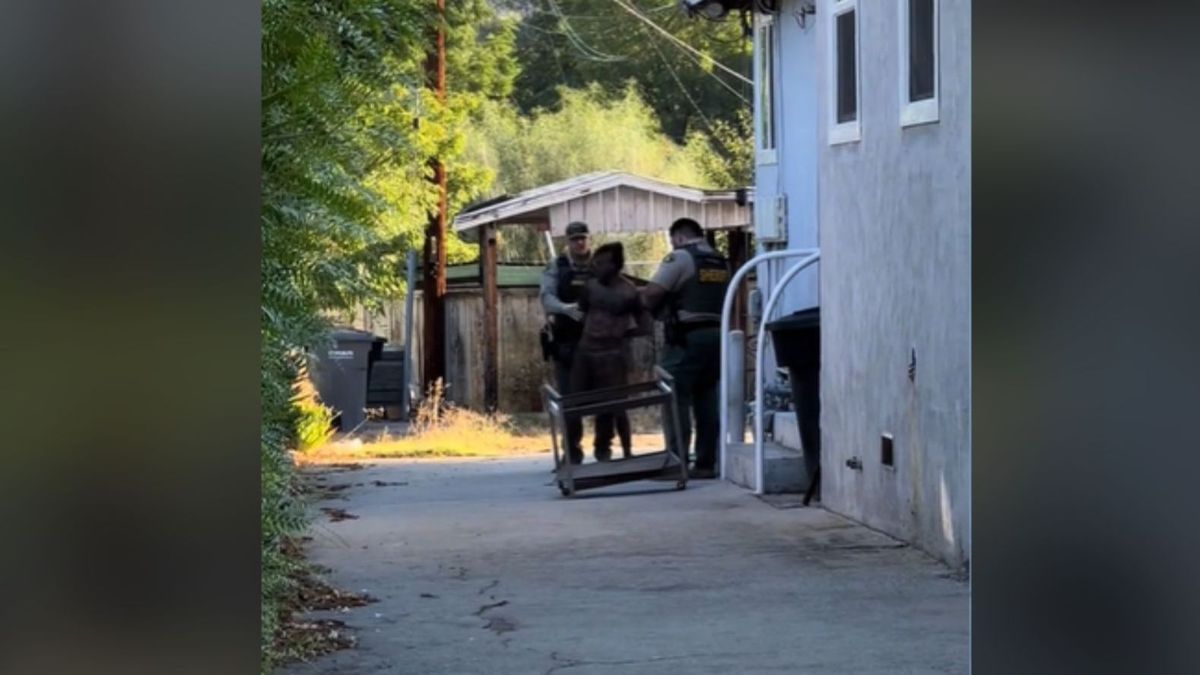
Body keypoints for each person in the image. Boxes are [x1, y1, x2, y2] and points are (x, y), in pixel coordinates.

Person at [640, 217, 731, 479]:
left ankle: (676, 461)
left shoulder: (680, 258)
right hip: (716, 336)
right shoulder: (719, 260)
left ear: (678, 237)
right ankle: (705, 463)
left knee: (673, 394)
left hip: (687, 338)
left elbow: (653, 293)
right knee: (707, 397)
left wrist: (650, 305)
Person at [540, 221, 619, 463]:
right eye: (575, 239)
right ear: (568, 242)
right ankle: (572, 453)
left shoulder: (602, 266)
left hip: (600, 344)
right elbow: (546, 298)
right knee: (570, 401)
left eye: (583, 238)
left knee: (607, 399)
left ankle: (603, 449)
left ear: (589, 239)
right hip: (568, 345)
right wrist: (565, 308)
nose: (580, 243)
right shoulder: (557, 266)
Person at [570, 242, 650, 461]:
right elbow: (579, 314)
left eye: (602, 263)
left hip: (612, 353)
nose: (597, 267)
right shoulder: (590, 287)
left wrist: (622, 334)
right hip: (585, 350)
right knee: (573, 401)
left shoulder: (629, 291)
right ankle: (571, 451)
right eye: (595, 262)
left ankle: (616, 449)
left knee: (615, 405)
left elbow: (645, 326)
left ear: (615, 265)